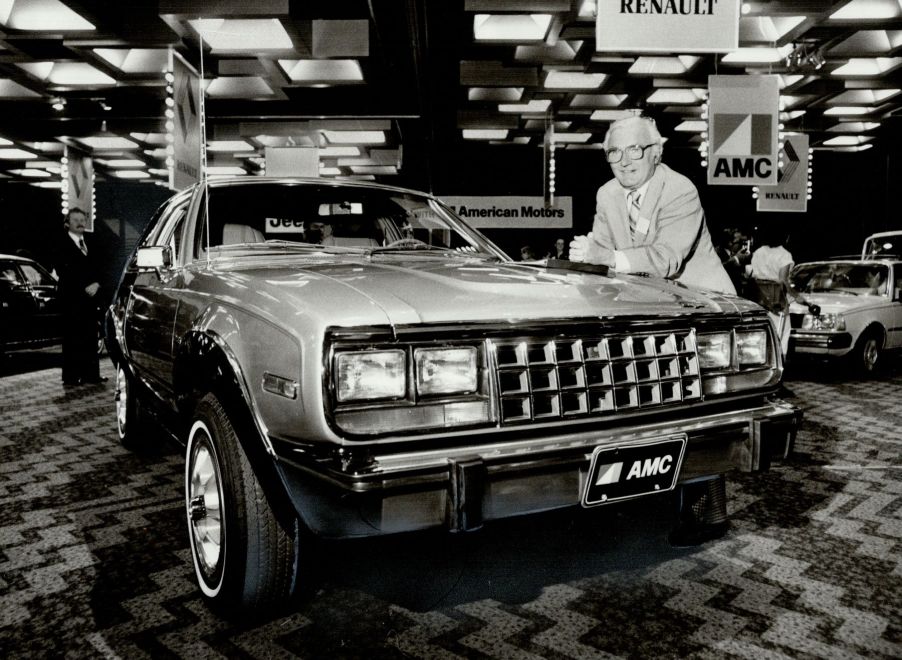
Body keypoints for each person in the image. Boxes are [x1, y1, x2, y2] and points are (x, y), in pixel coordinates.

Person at [569, 115, 735, 294]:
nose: (624, 162)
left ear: (655, 153)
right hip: (651, 300)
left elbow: (665, 260)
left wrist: (605, 257)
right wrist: (585, 253)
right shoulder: (607, 194)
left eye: (634, 149)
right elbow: (601, 254)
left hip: (707, 301)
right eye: (615, 152)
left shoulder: (679, 190)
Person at [746, 226, 816, 358]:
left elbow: (753, 274)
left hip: (760, 299)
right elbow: (782, 281)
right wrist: (796, 296)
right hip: (777, 301)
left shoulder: (758, 252)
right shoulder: (784, 255)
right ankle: (780, 363)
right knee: (781, 335)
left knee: (763, 334)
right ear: (786, 238)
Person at [55, 208, 105, 386]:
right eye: (75, 219)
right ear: (67, 223)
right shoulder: (61, 243)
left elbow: (102, 266)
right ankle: (71, 377)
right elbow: (64, 270)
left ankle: (91, 375)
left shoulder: (91, 241)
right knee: (72, 338)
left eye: (83, 219)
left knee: (90, 336)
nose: (80, 222)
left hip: (90, 299)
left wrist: (97, 283)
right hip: (71, 299)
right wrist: (85, 285)